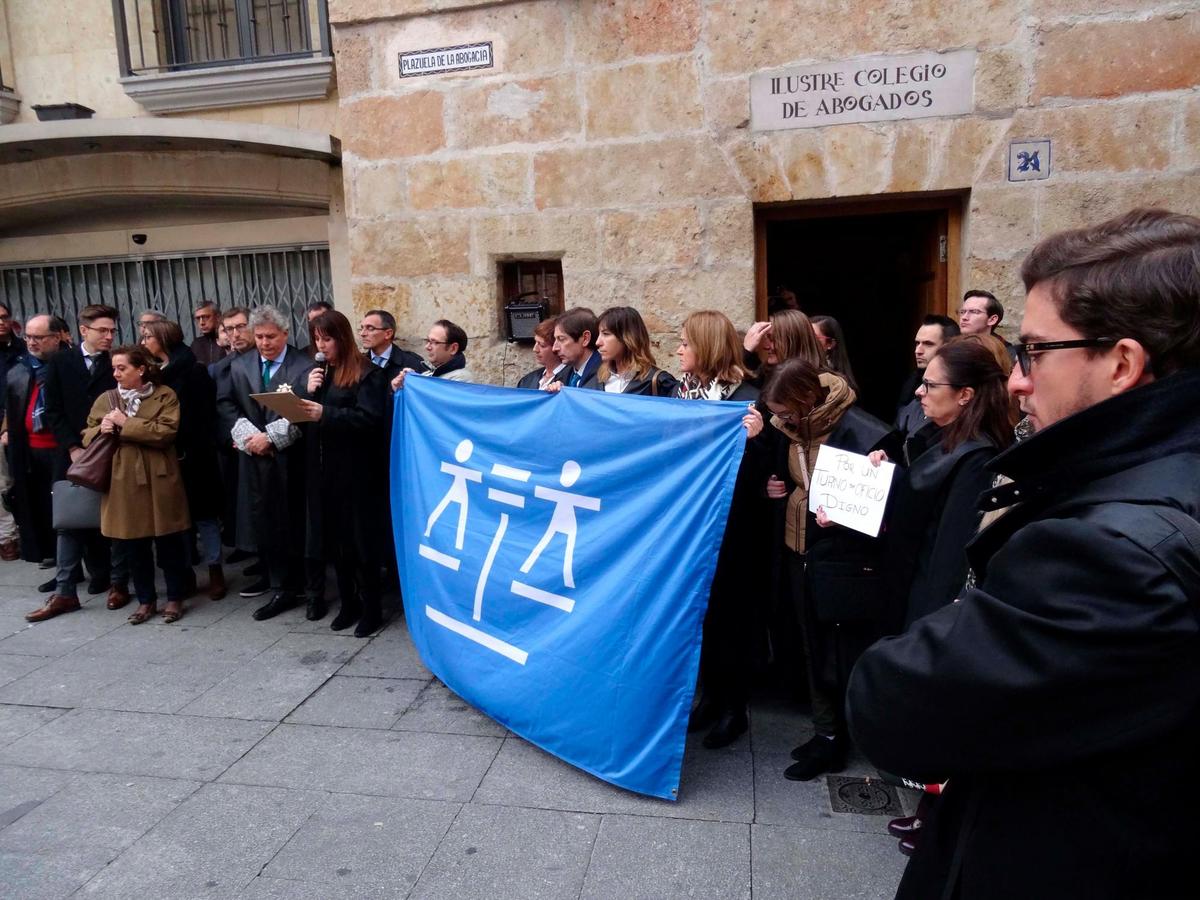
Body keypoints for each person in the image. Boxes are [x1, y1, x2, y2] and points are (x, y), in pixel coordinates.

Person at [847, 208, 1200, 900]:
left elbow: (895, 704)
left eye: (1034, 352)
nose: (1017, 379)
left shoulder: (1108, 554)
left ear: (1123, 363)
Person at [760, 356, 895, 782]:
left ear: (804, 402)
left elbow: (885, 507)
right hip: (799, 551)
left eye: (782, 412)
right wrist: (775, 484)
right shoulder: (792, 431)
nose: (777, 419)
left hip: (840, 560)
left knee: (837, 650)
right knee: (808, 645)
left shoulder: (862, 431)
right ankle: (826, 732)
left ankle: (842, 737)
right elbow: (795, 476)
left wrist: (854, 506)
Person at [675, 310, 765, 749]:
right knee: (702, 616)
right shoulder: (682, 394)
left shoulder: (748, 397)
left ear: (707, 347)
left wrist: (758, 441)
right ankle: (708, 697)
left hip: (733, 530)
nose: (679, 351)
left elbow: (768, 475)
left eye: (686, 344)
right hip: (690, 528)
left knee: (732, 618)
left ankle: (734, 708)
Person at [79, 345, 191, 624]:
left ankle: (175, 597)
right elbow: (86, 434)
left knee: (169, 542)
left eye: (122, 368)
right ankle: (145, 600)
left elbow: (166, 433)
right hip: (122, 480)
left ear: (141, 369)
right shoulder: (107, 398)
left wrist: (126, 423)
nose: (116, 373)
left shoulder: (165, 395)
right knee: (133, 544)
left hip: (159, 476)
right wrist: (100, 429)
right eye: (114, 368)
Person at [296, 310, 390, 636]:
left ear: (342, 338)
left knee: (362, 542)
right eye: (317, 340)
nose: (322, 346)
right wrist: (306, 391)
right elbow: (305, 414)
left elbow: (370, 419)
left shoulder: (368, 374)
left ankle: (372, 608)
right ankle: (348, 602)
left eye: (327, 339)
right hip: (325, 471)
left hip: (358, 473)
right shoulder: (321, 372)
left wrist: (327, 413)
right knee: (337, 543)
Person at [217, 305, 313, 620]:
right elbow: (227, 403)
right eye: (258, 336)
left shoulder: (303, 365)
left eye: (270, 336)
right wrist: (249, 438)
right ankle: (278, 585)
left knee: (295, 522)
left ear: (285, 334)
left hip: (292, 459)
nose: (264, 343)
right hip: (254, 459)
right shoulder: (242, 365)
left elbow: (306, 410)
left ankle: (303, 585)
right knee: (263, 522)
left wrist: (271, 437)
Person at [25, 305, 119, 622]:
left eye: (112, 331)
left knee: (112, 513)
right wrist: (72, 446)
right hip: (71, 454)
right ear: (83, 330)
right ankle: (65, 589)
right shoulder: (61, 362)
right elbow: (52, 410)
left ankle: (110, 576)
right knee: (69, 519)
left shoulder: (117, 363)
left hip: (110, 449)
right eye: (102, 330)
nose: (108, 336)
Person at [142, 319, 226, 600]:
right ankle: (186, 572)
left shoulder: (192, 370)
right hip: (166, 456)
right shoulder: (155, 373)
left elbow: (205, 416)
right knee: (177, 518)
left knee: (204, 516)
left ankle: (215, 570)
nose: (144, 342)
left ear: (163, 339)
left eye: (148, 337)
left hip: (195, 455)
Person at [3, 315, 62, 565]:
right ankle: (55, 559)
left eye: (38, 337)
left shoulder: (66, 365)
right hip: (31, 450)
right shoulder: (20, 369)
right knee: (39, 507)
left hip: (61, 449)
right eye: (28, 336)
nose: (31, 342)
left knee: (67, 509)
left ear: (56, 337)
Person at [584, 306, 678, 396]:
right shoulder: (594, 381)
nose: (597, 342)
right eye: (599, 334)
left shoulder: (659, 382)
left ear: (628, 337)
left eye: (606, 334)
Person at [896, 314, 960, 435]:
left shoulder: (958, 384)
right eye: (917, 343)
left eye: (928, 344)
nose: (918, 351)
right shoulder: (911, 382)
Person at [0, 303, 27, 560]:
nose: (1, 322)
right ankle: (6, 537)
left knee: (8, 484)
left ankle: (12, 537)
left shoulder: (21, 351)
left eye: (4, 317)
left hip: (14, 426)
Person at [742, 309, 826, 389]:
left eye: (772, 339)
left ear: (793, 342)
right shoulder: (768, 373)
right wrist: (747, 351)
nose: (766, 346)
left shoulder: (819, 382)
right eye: (767, 338)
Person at [390, 319, 473, 389]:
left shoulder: (462, 379)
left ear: (453, 348)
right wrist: (401, 385)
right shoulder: (428, 374)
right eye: (428, 341)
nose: (427, 347)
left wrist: (416, 383)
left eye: (434, 342)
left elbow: (434, 404)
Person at [360, 309, 425, 379]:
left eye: (370, 328)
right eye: (362, 328)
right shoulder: (358, 364)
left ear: (388, 334)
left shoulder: (412, 363)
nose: (362, 333)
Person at [551, 308, 600, 388]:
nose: (554, 348)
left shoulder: (607, 376)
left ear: (585, 339)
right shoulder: (561, 376)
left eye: (561, 339)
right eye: (555, 339)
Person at [810, 315, 859, 393]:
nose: (807, 341)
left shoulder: (837, 384)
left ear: (830, 344)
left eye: (813, 337)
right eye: (806, 336)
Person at [516, 317, 568, 390]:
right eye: (536, 342)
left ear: (556, 346)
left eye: (542, 345)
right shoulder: (527, 381)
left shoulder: (570, 379)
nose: (535, 349)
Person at [190, 302, 227, 366]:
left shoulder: (228, 340)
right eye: (198, 318)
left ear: (218, 317)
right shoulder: (196, 344)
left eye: (205, 317)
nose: (201, 323)